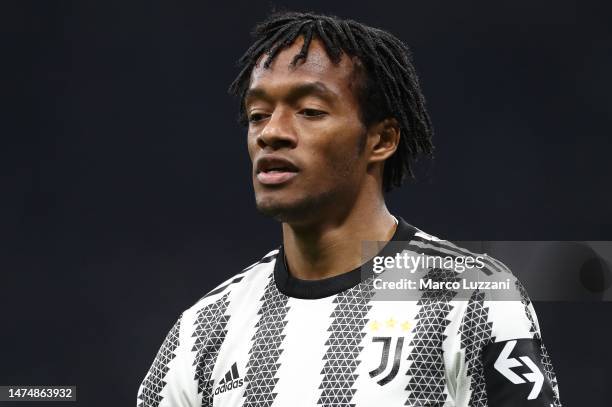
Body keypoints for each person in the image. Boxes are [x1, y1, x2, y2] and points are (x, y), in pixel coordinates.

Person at [137, 11, 561, 407]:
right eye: (257, 114)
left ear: (381, 140)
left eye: (310, 111)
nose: (272, 133)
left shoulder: (471, 297)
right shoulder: (204, 331)